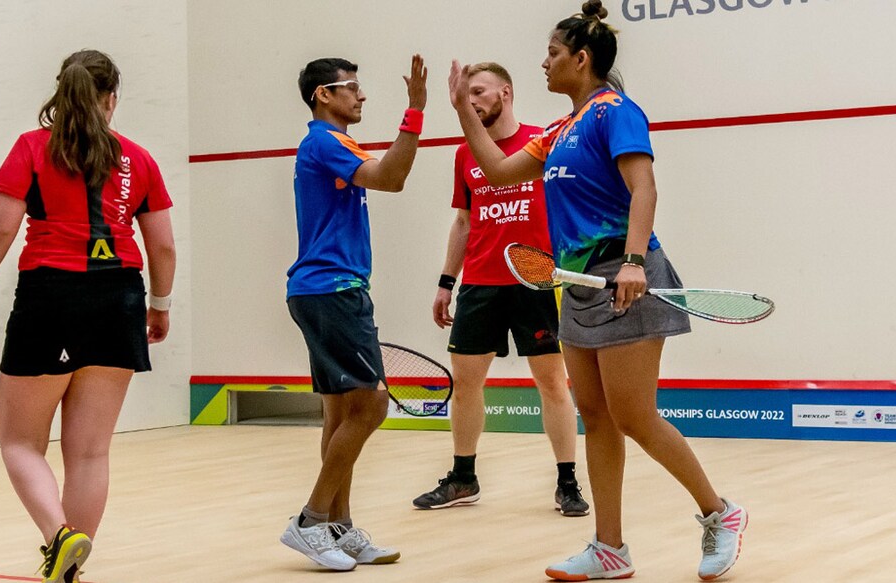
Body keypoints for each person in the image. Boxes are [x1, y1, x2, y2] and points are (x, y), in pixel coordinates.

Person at [447, 2, 747, 580]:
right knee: (595, 414)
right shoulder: (559, 130)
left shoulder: (616, 112)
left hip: (627, 277)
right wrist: (464, 110)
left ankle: (720, 512)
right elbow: (499, 170)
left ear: (581, 60)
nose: (544, 63)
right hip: (579, 286)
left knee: (634, 414)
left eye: (553, 54)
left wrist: (634, 260)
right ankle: (608, 547)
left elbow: (644, 187)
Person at [0, 50, 176, 583]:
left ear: (63, 92)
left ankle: (60, 538)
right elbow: (164, 248)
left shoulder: (33, 147)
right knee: (90, 453)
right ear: (112, 99)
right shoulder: (140, 158)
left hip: (50, 300)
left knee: (20, 442)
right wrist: (159, 306)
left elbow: (0, 230)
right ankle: (70, 567)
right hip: (121, 298)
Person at [413, 62, 588, 517]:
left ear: (505, 92)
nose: (470, 100)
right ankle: (463, 477)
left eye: (479, 91)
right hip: (481, 284)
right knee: (467, 383)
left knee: (552, 382)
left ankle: (568, 483)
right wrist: (445, 282)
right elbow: (464, 221)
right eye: (465, 94)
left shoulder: (542, 141)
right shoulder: (464, 154)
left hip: (537, 281)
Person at [280, 55, 427, 572]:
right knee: (372, 406)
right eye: (352, 88)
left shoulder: (332, 144)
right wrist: (415, 113)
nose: (361, 97)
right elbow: (391, 177)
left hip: (323, 289)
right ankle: (311, 519)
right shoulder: (326, 141)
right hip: (333, 289)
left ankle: (337, 526)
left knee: (342, 413)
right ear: (324, 94)